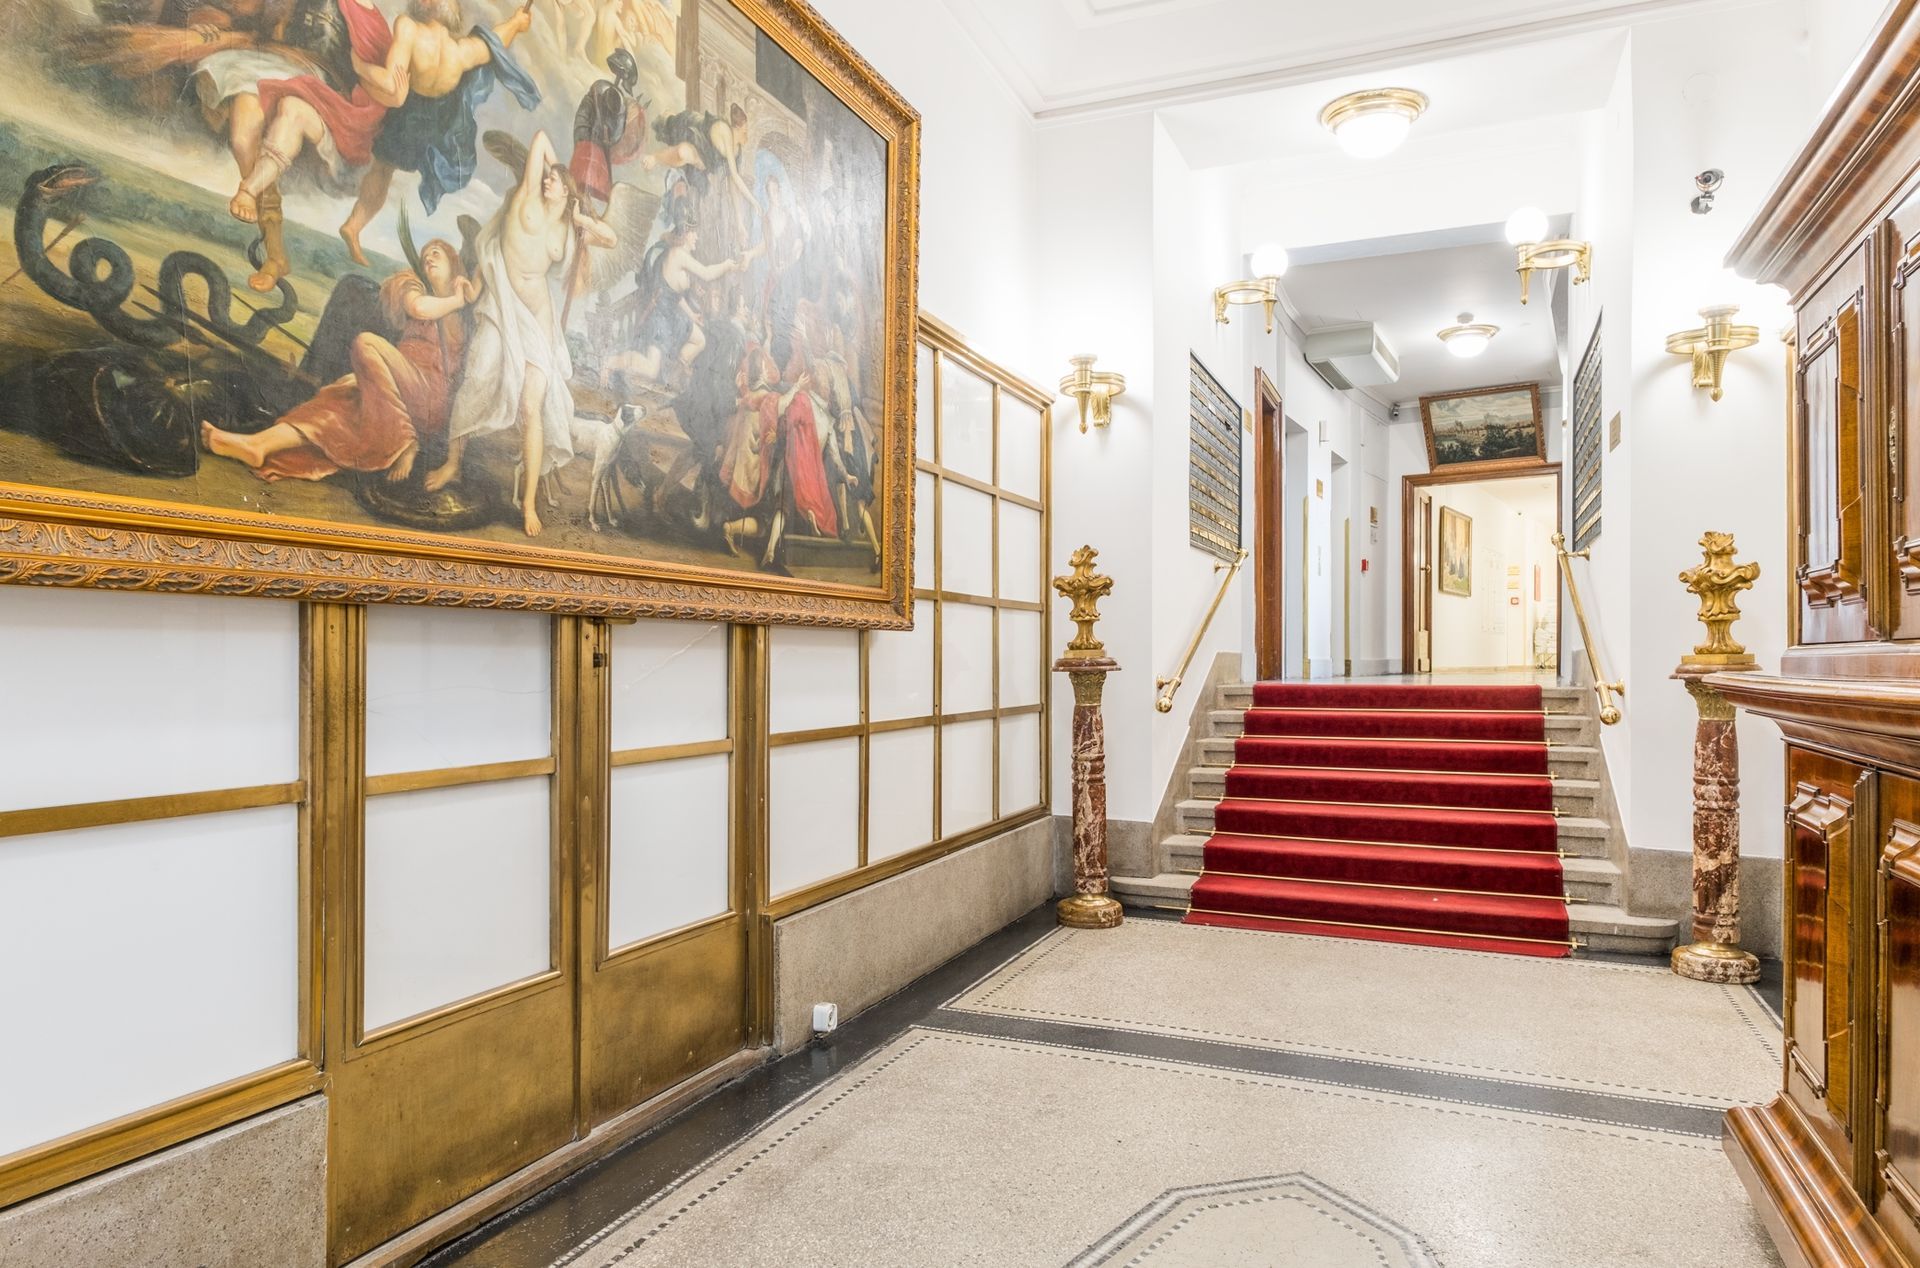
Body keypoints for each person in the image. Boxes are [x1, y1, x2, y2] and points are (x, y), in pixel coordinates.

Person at [426, 131, 614, 538]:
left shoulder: (568, 226)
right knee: (478, 378)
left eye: (554, 181)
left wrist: (582, 218)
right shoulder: (528, 195)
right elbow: (545, 137)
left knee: (533, 406)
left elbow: (611, 238)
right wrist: (554, 171)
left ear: (566, 191)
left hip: (539, 318)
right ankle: (454, 462)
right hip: (502, 302)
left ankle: (527, 502)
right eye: (546, 177)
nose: (546, 180)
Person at [200, 240, 472, 481]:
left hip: (427, 399)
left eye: (437, 253)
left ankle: (405, 440)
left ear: (454, 264)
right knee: (336, 402)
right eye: (425, 256)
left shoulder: (459, 309)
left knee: (365, 342)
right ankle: (258, 445)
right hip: (397, 387)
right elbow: (416, 305)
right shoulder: (423, 292)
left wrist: (459, 299)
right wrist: (447, 296)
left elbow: (426, 309)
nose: (428, 258)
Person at [337, 0, 542, 267]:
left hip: (409, 117)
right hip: (434, 128)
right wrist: (515, 23)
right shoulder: (460, 50)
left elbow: (390, 81)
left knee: (383, 169)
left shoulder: (410, 29)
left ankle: (354, 225)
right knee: (384, 171)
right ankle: (353, 227)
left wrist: (359, 67)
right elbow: (493, 43)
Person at [568, 48, 646, 210]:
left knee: (578, 193)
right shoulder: (616, 96)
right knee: (581, 194)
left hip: (584, 143)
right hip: (595, 150)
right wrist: (607, 138)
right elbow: (616, 134)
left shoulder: (599, 86)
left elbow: (582, 117)